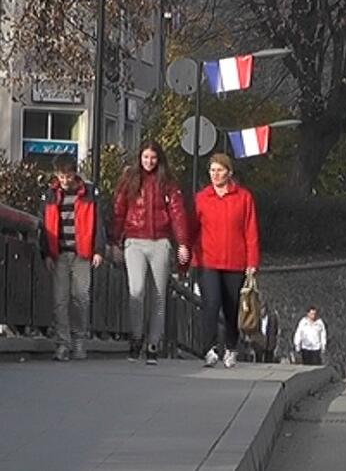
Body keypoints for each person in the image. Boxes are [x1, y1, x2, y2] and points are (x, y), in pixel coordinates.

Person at [111, 140, 190, 365]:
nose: (149, 161)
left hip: (160, 242)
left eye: (153, 157)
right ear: (139, 157)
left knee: (158, 295)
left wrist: (182, 242)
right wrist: (114, 241)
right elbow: (119, 211)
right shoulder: (129, 179)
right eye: (145, 157)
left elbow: (177, 213)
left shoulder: (168, 182)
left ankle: (154, 343)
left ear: (159, 159)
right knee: (136, 291)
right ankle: (136, 337)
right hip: (134, 240)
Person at [193, 154, 260, 369]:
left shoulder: (243, 198)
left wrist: (252, 262)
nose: (215, 174)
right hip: (208, 261)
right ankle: (209, 348)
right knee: (211, 304)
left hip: (235, 262)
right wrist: (188, 258)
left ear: (229, 173)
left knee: (232, 307)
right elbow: (192, 229)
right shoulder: (202, 198)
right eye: (212, 170)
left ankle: (231, 348)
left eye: (220, 170)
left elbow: (251, 231)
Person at [38, 155, 106, 361]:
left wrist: (99, 250)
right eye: (61, 176)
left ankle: (79, 339)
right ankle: (63, 343)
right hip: (59, 253)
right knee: (60, 300)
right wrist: (46, 254)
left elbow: (99, 223)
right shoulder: (50, 194)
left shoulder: (89, 193)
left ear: (75, 173)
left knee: (81, 298)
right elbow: (44, 226)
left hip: (82, 253)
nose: (65, 180)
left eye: (68, 176)